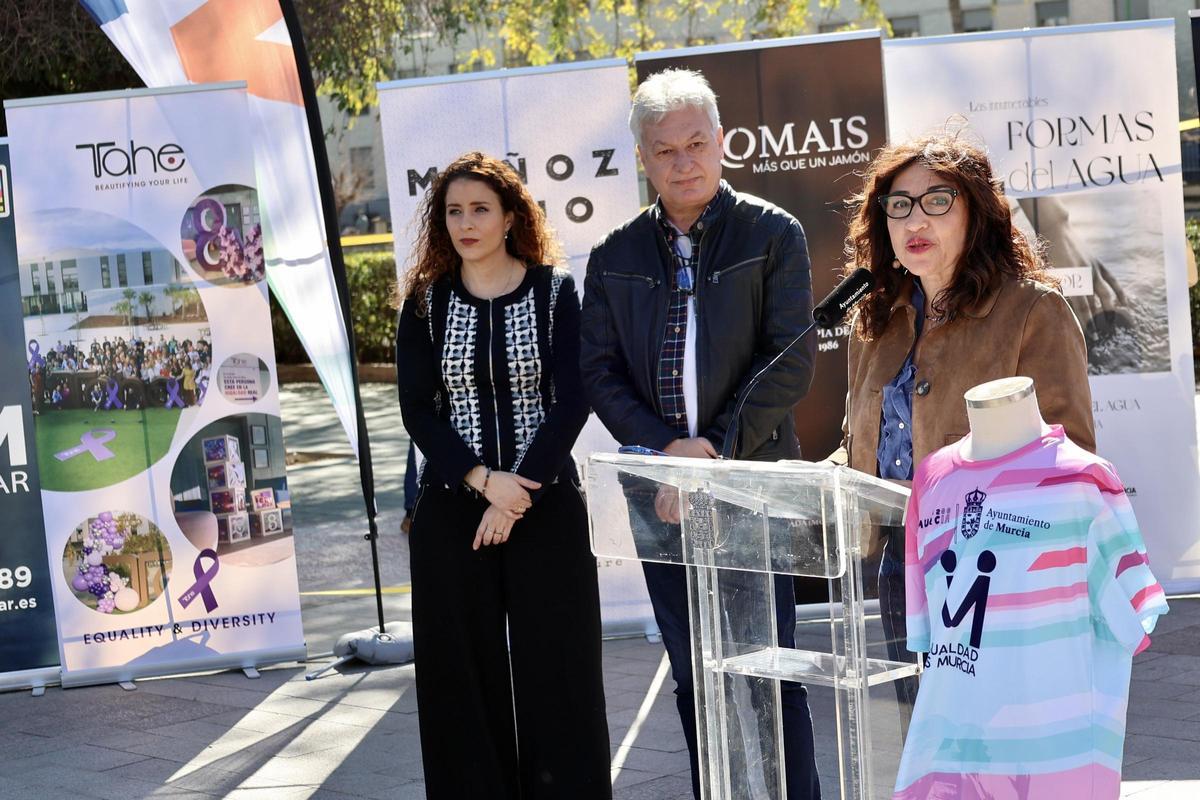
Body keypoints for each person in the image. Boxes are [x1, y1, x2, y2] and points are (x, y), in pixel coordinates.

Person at [580, 68, 820, 799]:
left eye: (695, 144)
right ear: (643, 160)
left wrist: (709, 451)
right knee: (694, 673)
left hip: (750, 480)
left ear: (721, 142)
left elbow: (789, 362)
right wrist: (664, 457)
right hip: (661, 497)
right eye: (664, 151)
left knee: (769, 668)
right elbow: (599, 371)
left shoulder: (774, 234)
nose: (683, 163)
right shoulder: (615, 255)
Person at [830, 130, 1095, 727]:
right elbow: (865, 446)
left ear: (977, 214)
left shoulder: (1032, 311)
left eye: (937, 200)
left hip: (992, 563)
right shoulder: (875, 321)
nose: (914, 218)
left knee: (997, 738)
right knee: (929, 737)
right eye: (899, 205)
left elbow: (1071, 456)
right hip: (899, 560)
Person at [395, 151, 610, 800]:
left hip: (545, 504)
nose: (466, 222)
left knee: (561, 676)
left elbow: (574, 398)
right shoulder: (426, 304)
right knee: (459, 681)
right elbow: (417, 410)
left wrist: (517, 493)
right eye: (454, 211)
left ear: (511, 216)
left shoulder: (557, 293)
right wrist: (485, 482)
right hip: (453, 511)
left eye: (480, 209)